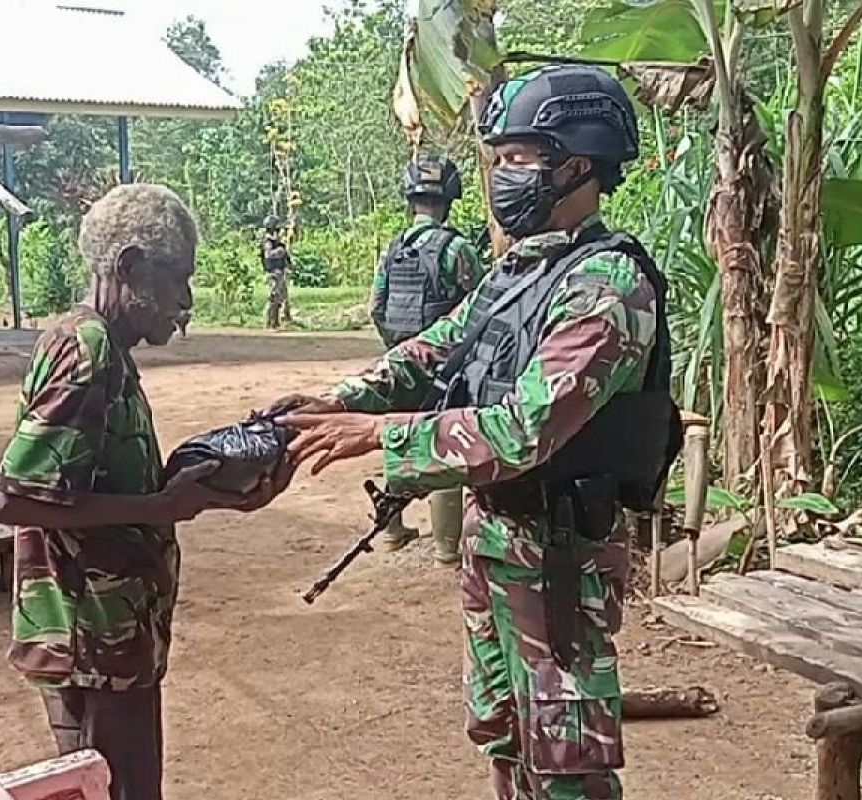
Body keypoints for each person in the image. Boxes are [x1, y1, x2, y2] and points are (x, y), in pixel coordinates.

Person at [271, 65, 678, 800]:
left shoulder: (607, 286)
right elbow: (437, 349)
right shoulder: (518, 271)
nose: (502, 176)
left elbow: (523, 430)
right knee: (504, 731)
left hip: (558, 555)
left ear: (576, 164)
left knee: (565, 759)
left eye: (518, 159)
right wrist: (335, 398)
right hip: (496, 540)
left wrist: (379, 435)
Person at [0, 184, 283, 800]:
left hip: (109, 633)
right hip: (91, 639)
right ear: (128, 269)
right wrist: (157, 508)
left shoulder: (105, 350)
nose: (187, 302)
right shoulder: (86, 351)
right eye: (178, 280)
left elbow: (85, 480)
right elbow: (12, 498)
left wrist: (209, 478)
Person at [370, 152, 484, 563]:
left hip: (401, 361)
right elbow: (481, 310)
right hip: (445, 367)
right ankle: (445, 548)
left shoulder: (393, 248)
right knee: (444, 443)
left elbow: (376, 306)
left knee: (400, 438)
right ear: (449, 199)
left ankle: (392, 531)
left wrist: (398, 350)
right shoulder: (458, 250)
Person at [261, 214, 294, 329]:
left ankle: (275, 321)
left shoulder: (277, 241)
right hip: (274, 272)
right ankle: (270, 322)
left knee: (281, 297)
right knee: (274, 297)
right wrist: (280, 251)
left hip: (280, 271)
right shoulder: (268, 241)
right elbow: (268, 255)